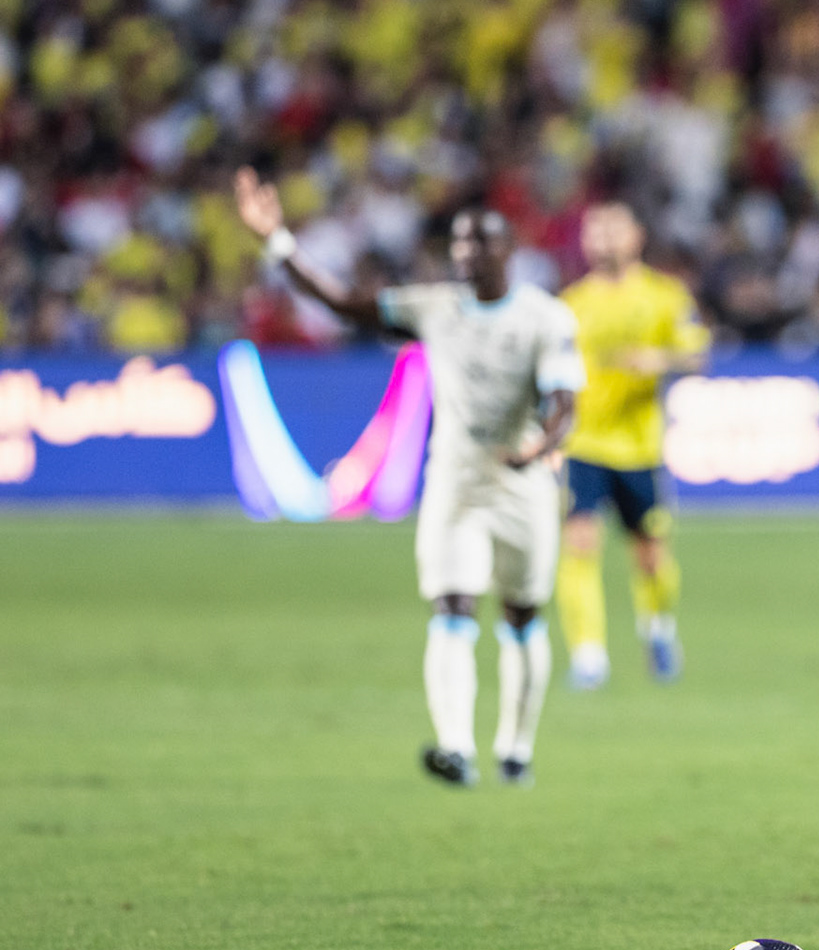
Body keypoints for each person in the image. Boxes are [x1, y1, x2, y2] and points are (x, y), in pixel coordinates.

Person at [232, 168, 584, 788]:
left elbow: (564, 403)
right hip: (455, 479)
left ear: (509, 252)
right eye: (458, 243)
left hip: (523, 483)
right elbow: (342, 302)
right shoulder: (435, 308)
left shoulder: (544, 318)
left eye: (478, 243)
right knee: (451, 605)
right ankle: (455, 747)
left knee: (524, 615)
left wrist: (539, 447)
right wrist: (279, 242)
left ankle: (515, 749)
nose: (465, 254)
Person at [556, 201, 711, 689]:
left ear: (636, 237)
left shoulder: (664, 295)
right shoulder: (570, 304)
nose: (603, 239)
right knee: (579, 543)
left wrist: (658, 357)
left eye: (613, 229)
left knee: (649, 554)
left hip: (640, 447)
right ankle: (588, 657)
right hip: (584, 441)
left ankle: (658, 629)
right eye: (595, 230)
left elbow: (697, 352)